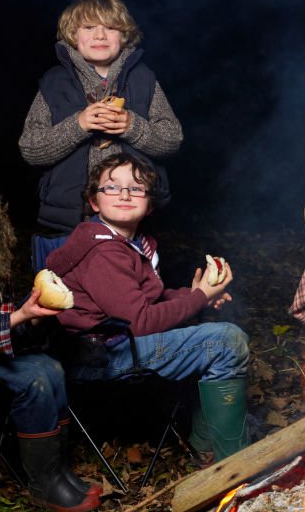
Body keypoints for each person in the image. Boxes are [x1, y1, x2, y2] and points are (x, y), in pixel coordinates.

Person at [46, 154, 249, 462]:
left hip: (120, 342)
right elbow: (139, 322)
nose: (125, 194)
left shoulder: (134, 243)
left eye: (136, 188)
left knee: (224, 340)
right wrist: (198, 298)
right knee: (226, 341)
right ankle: (234, 464)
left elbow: (144, 301)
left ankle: (206, 448)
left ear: (149, 204)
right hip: (101, 354)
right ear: (94, 201)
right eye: (112, 187)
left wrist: (196, 295)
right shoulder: (102, 250)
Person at [0, 160, 100, 512]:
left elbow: (5, 329)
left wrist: (32, 318)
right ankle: (45, 486)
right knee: (34, 377)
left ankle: (57, 471)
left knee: (50, 366)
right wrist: (18, 317)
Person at [19, 0, 182, 258]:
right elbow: (31, 149)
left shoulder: (144, 79)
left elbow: (172, 139)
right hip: (69, 221)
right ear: (72, 35)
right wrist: (78, 125)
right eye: (89, 27)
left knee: (131, 293)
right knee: (65, 296)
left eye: (110, 28)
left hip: (131, 221)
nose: (100, 35)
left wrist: (132, 126)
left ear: (125, 36)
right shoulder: (54, 83)